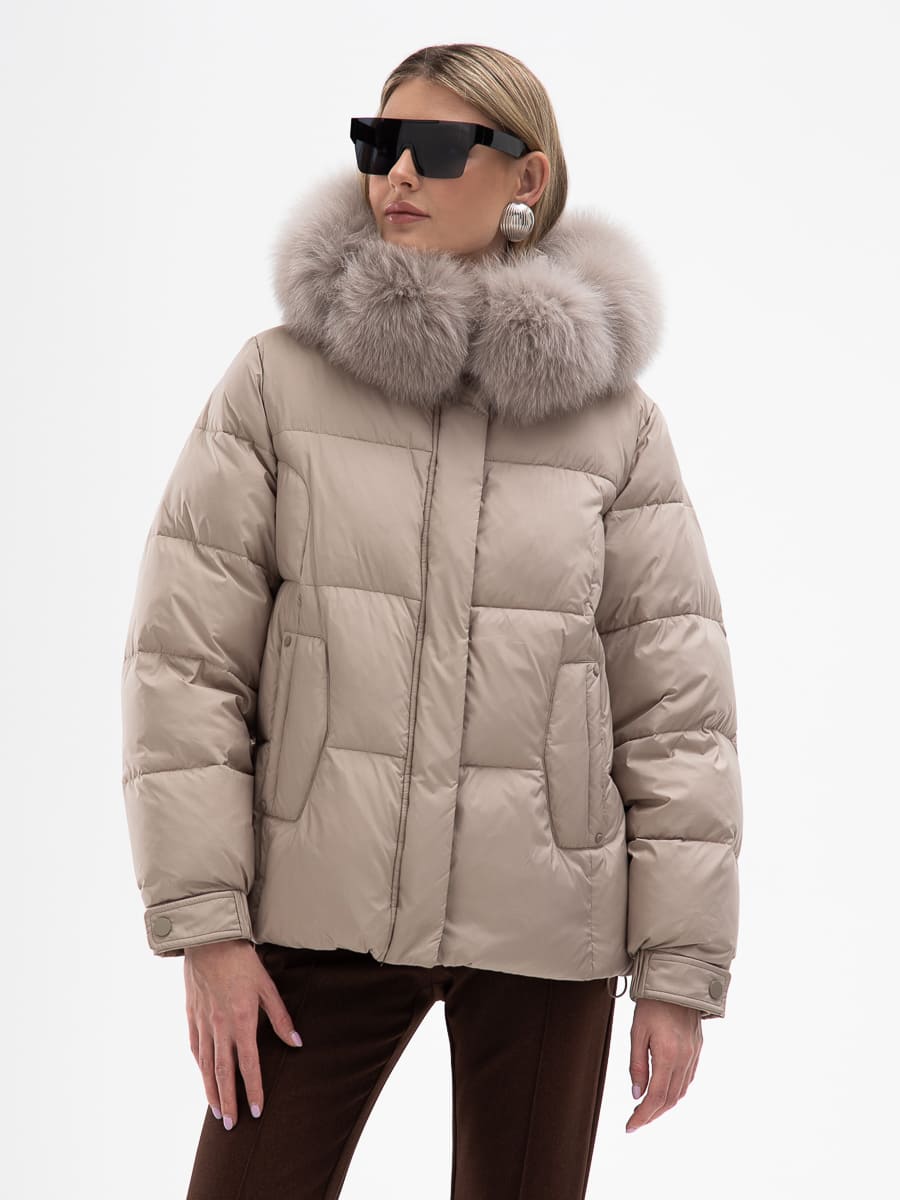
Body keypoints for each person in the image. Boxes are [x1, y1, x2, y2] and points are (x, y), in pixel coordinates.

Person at [121, 41, 743, 1200]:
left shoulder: (616, 426)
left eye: (438, 146)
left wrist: (677, 971)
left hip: (548, 934)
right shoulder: (277, 383)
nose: (398, 171)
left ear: (526, 176)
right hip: (315, 915)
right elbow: (186, 665)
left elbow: (674, 707)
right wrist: (207, 925)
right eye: (379, 142)